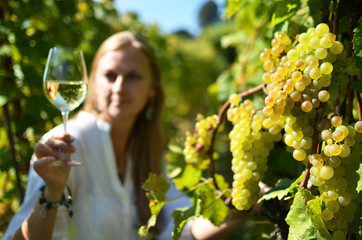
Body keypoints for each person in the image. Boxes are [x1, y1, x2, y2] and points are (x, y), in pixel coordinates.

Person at [3, 31, 258, 240]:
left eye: (133, 76)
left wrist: (237, 208)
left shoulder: (148, 152)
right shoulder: (66, 145)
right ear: (92, 82)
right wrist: (51, 195)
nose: (120, 87)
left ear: (152, 91)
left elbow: (183, 227)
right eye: (110, 75)